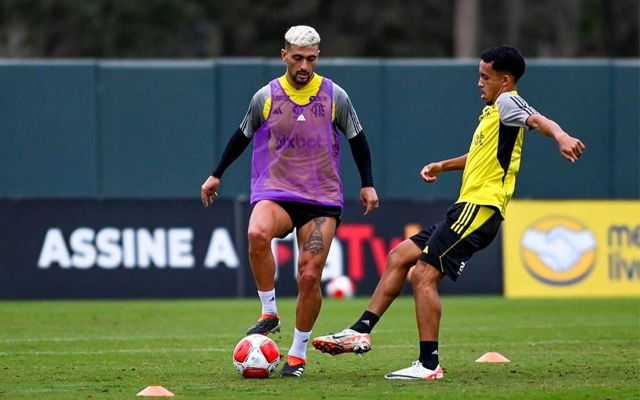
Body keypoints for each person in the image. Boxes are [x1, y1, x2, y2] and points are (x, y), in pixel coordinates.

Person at [312, 45, 585, 380]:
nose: (479, 83)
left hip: (480, 209)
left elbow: (538, 119)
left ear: (505, 80)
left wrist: (561, 135)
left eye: (485, 77)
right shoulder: (493, 113)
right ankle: (361, 329)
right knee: (400, 256)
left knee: (423, 276)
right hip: (466, 208)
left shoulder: (507, 101)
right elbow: (480, 155)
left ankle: (428, 364)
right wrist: (443, 165)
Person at [200, 25, 379, 378]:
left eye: (311, 59)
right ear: (284, 56)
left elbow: (358, 139)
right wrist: (216, 173)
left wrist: (368, 184)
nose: (304, 66)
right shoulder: (265, 96)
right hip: (276, 191)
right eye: (297, 58)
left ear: (318, 57)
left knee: (309, 275)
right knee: (256, 234)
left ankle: (297, 355)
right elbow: (242, 135)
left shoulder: (334, 96)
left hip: (321, 201)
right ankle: (270, 312)